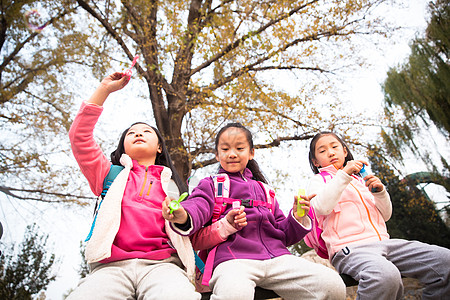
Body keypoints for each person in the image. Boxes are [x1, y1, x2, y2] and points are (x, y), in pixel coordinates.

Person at [163, 123, 346, 300]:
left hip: (278, 258)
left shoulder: (266, 190)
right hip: (233, 260)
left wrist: (297, 216)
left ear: (251, 153)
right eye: (225, 149)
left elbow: (283, 234)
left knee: (332, 286)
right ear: (217, 155)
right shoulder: (211, 185)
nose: (232, 154)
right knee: (235, 294)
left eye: (239, 148)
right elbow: (197, 206)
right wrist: (182, 214)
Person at [67, 72, 200, 300]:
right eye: (132, 133)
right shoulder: (109, 175)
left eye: (147, 131)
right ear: (123, 148)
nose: (139, 132)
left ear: (160, 147)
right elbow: (79, 136)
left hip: (163, 266)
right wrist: (104, 90)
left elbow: (193, 229)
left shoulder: (175, 187)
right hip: (111, 268)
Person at [307, 131, 450, 300]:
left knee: (445, 262)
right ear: (315, 161)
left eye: (334, 146)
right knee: (386, 276)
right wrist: (344, 175)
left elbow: (386, 215)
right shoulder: (318, 182)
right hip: (350, 250)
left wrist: (381, 192)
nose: (330, 152)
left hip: (386, 243)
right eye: (322, 151)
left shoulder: (361, 180)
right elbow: (322, 207)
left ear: (345, 151)